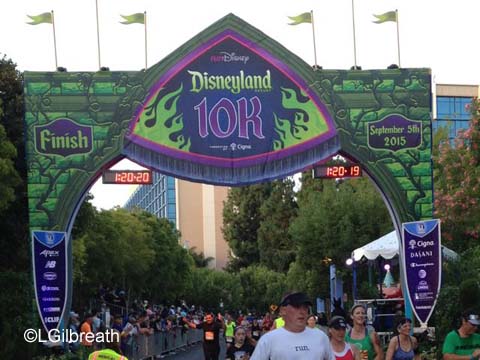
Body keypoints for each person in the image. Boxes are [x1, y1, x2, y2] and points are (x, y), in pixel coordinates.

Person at [250, 291, 334, 360]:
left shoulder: (321, 337)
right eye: (296, 306)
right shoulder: (268, 340)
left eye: (305, 307)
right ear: (283, 310)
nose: (302, 311)